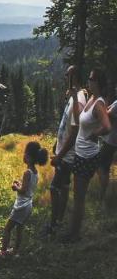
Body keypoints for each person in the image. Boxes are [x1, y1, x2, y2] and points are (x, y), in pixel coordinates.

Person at [57, 68, 112, 243]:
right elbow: (78, 118)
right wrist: (74, 98)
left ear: (97, 83)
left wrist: (94, 135)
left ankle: (74, 235)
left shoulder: (99, 104)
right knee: (78, 195)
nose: (88, 81)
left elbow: (107, 126)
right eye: (89, 78)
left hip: (87, 155)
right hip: (81, 153)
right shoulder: (91, 99)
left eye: (91, 79)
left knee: (79, 197)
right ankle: (73, 232)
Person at [44, 65, 87, 237]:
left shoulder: (80, 99)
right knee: (63, 187)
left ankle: (54, 225)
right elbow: (67, 125)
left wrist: (59, 155)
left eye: (67, 74)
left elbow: (76, 131)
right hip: (63, 151)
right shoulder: (73, 96)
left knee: (55, 188)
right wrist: (57, 143)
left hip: (67, 156)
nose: (64, 77)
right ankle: (59, 221)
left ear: (74, 77)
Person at [0, 141, 48, 258]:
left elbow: (22, 191)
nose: (23, 156)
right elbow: (28, 187)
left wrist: (16, 187)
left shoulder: (27, 172)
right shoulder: (35, 172)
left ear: (29, 158)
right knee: (19, 229)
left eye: (25, 154)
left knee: (7, 229)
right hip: (29, 205)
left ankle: (2, 252)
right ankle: (15, 251)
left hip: (21, 205)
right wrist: (21, 184)